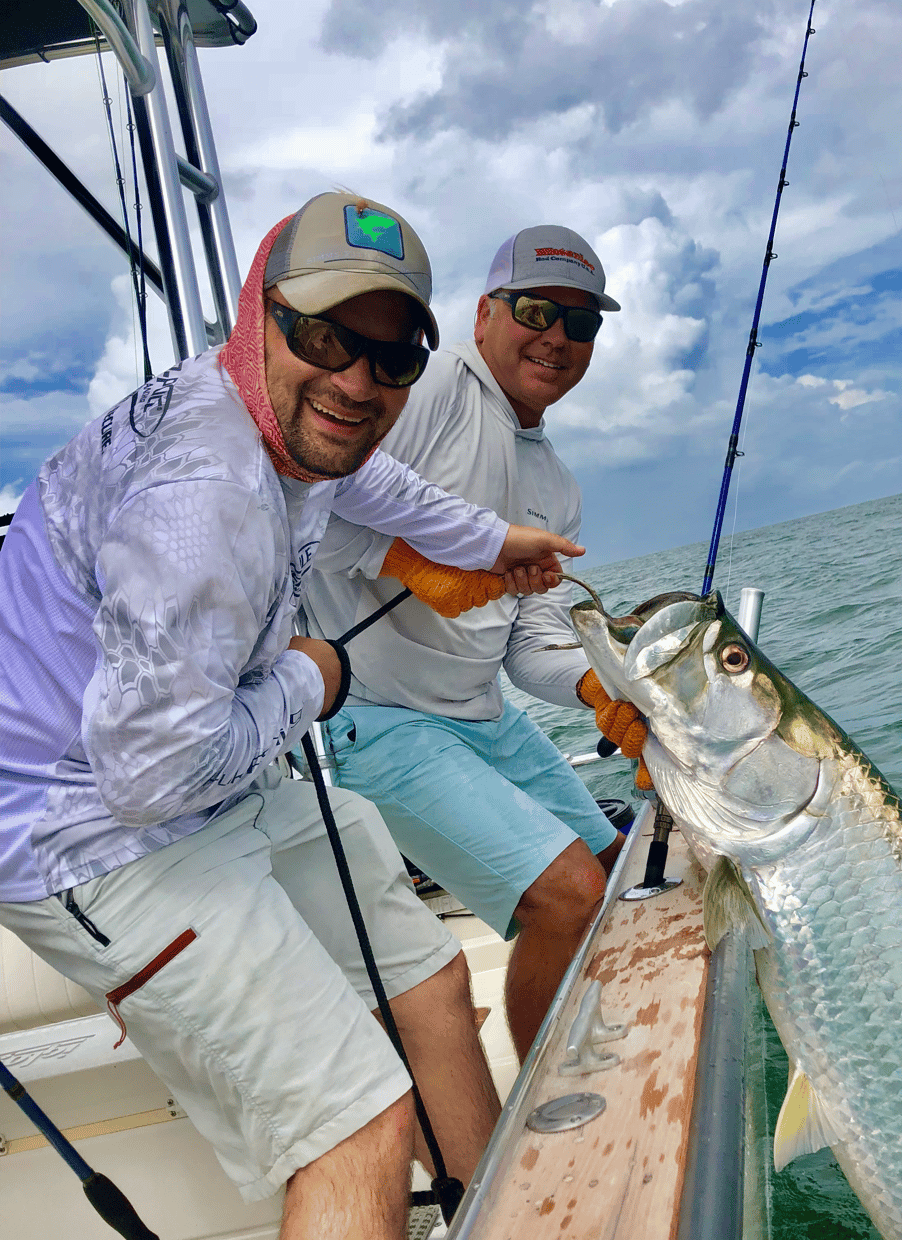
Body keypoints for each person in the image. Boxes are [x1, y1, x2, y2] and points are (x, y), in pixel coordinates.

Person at [0, 192, 583, 1240]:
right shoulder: (202, 499)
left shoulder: (276, 417)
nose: (356, 381)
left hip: (214, 783)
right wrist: (315, 678)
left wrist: (496, 539)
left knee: (429, 979)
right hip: (93, 838)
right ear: (256, 314)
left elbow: (388, 491)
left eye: (392, 360)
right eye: (325, 338)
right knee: (355, 1125)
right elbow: (148, 778)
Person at [304, 226, 646, 1061]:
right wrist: (411, 564)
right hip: (374, 719)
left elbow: (529, 645)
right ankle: (548, 1092)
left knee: (617, 861)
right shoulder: (426, 390)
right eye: (537, 310)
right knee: (566, 897)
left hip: (480, 715)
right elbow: (306, 510)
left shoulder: (554, 484)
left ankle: (587, 1026)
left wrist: (602, 686)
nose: (558, 338)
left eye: (581, 324)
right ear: (486, 312)